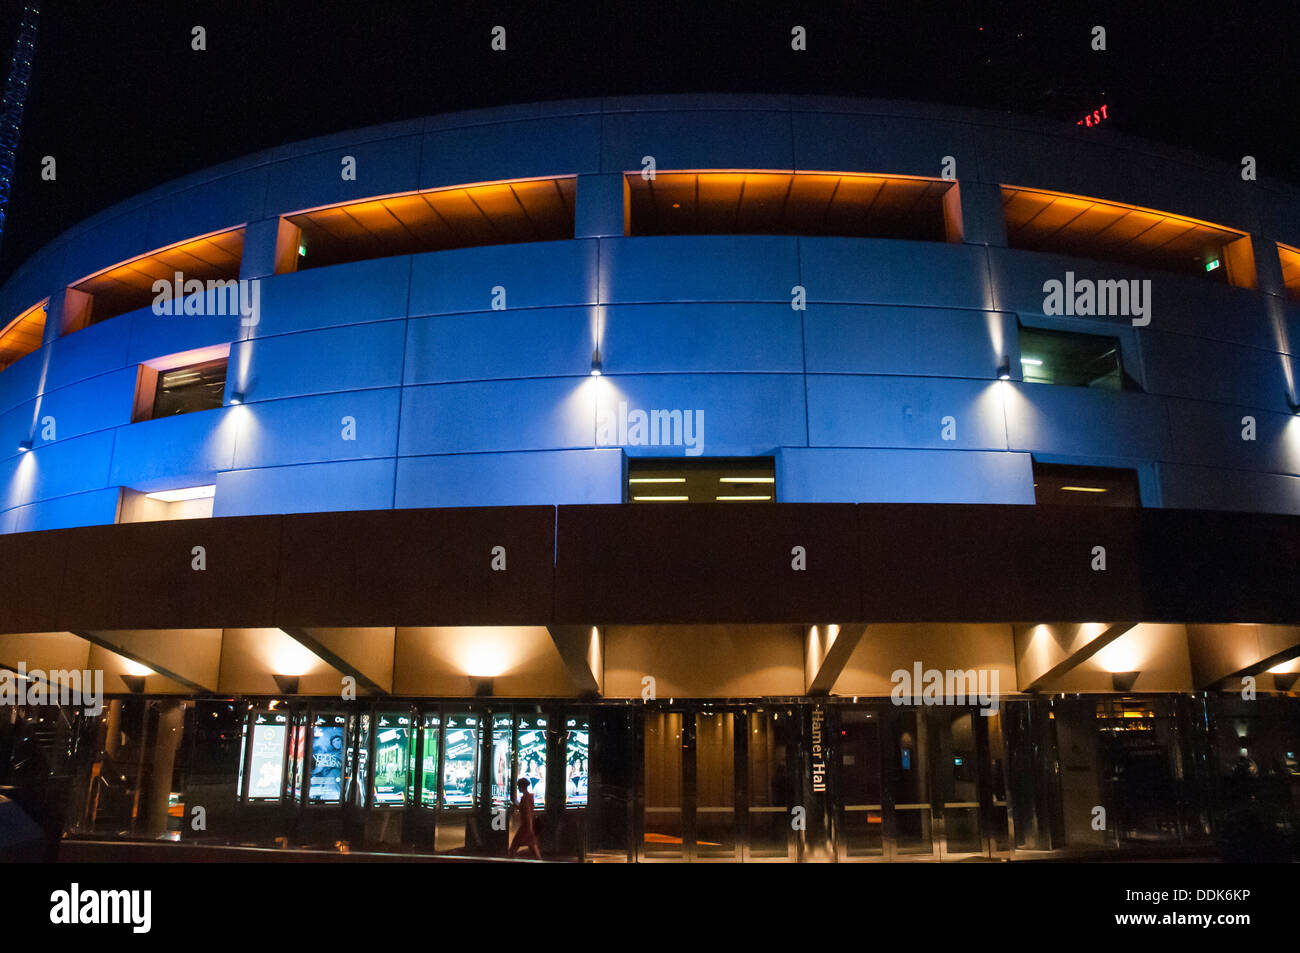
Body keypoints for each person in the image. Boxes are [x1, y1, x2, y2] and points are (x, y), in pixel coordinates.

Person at [508, 776, 542, 860]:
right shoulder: (530, 797)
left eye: (519, 786)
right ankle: (540, 860)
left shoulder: (525, 798)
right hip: (528, 825)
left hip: (525, 826)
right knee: (532, 846)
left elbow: (526, 812)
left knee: (513, 847)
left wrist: (529, 826)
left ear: (522, 786)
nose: (518, 788)